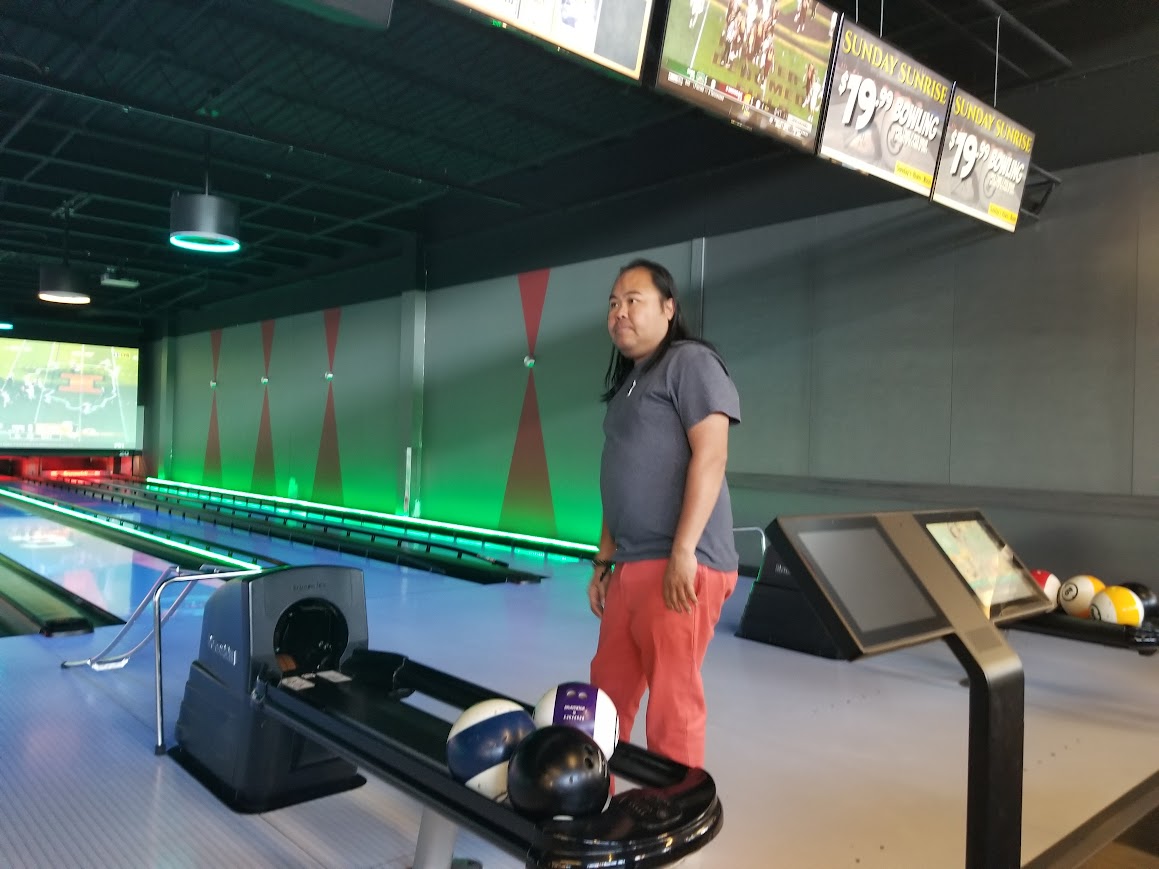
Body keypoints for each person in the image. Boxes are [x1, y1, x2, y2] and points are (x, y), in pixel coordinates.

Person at [588, 258, 741, 770]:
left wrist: (683, 551)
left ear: (669, 308)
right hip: (633, 563)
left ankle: (676, 807)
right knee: (605, 695)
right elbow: (618, 476)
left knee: (672, 706)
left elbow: (712, 456)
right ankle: (595, 797)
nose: (619, 312)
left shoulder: (690, 362)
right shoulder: (629, 384)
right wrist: (604, 560)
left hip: (680, 563)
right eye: (613, 303)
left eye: (633, 301)